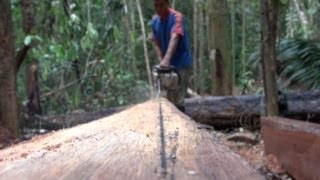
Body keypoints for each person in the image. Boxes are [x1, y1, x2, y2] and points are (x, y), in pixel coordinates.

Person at [151, 0, 192, 112]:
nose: (159, 8)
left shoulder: (176, 17)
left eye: (162, 5)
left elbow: (175, 37)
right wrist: (161, 60)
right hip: (167, 68)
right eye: (156, 5)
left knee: (180, 101)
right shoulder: (155, 21)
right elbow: (156, 42)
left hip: (181, 63)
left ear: (167, 4)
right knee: (168, 101)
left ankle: (184, 127)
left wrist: (167, 59)